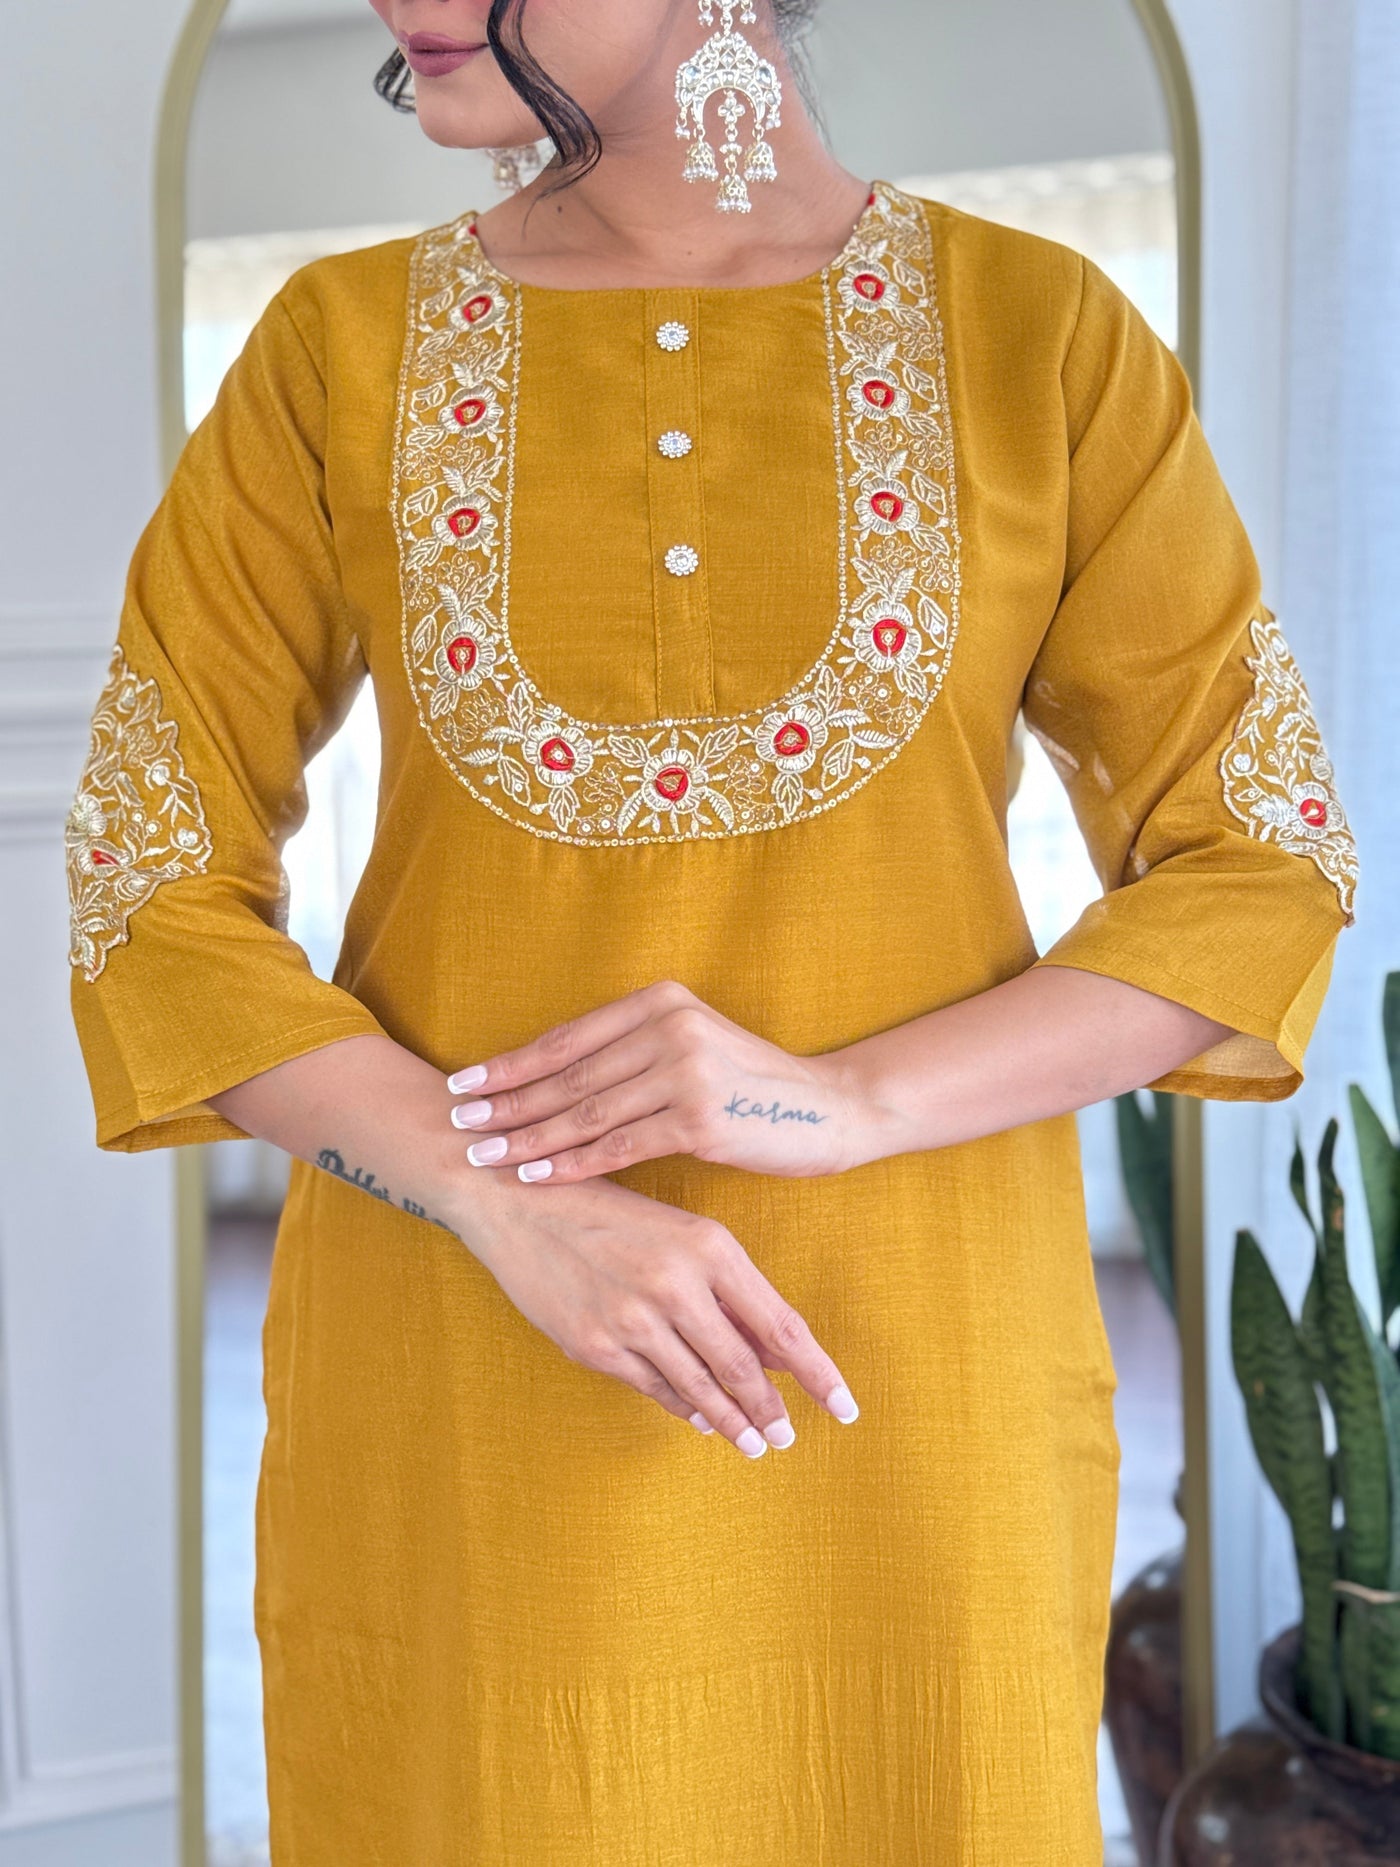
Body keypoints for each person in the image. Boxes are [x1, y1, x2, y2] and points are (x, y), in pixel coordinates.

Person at [66, 1, 1359, 1860]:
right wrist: (503, 1197)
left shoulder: (1039, 335)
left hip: (907, 1379)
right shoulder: (335, 352)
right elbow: (146, 872)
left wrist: (843, 1102)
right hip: (468, 1369)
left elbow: (1262, 858)